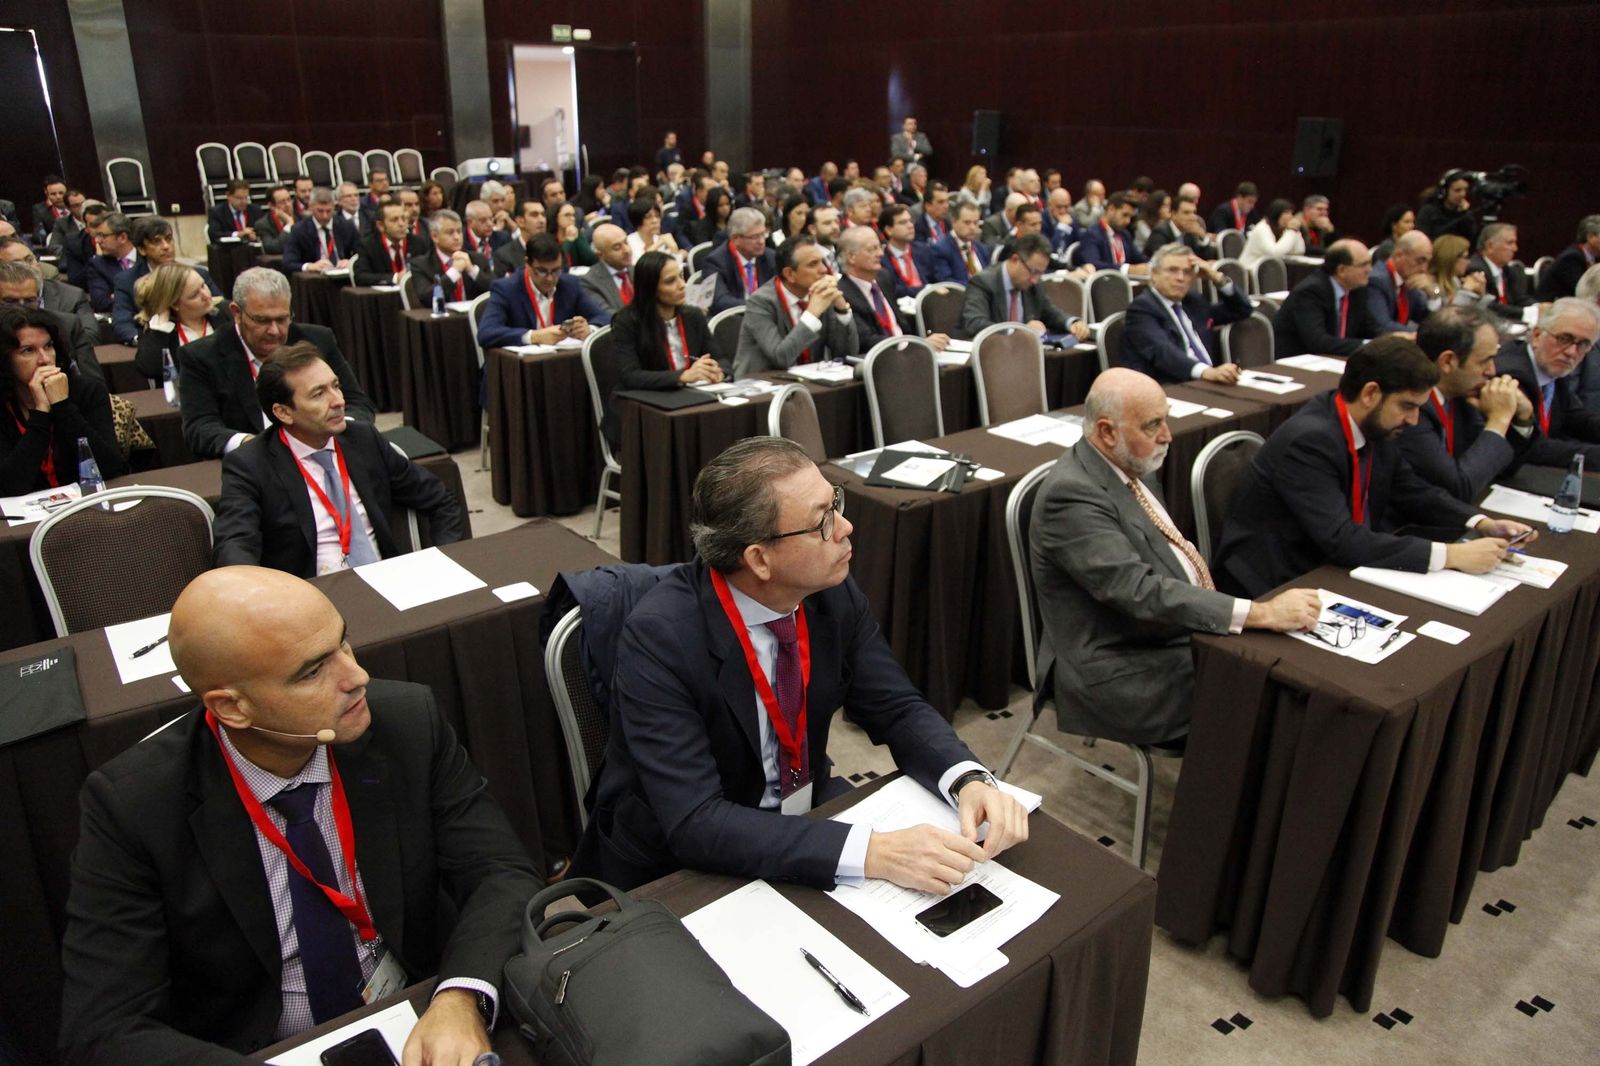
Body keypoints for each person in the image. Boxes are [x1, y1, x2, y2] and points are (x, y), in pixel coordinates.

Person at [58, 564, 541, 1063]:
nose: (357, 677)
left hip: (418, 1007)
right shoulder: (135, 805)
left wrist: (460, 997)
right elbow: (104, 1027)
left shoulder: (408, 724)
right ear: (232, 709)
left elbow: (499, 872)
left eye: (344, 644)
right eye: (313, 671)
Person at [573, 436, 1029, 891]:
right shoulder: (660, 638)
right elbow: (696, 820)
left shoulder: (831, 592)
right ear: (759, 559)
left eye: (836, 504)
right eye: (822, 522)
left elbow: (896, 706)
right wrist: (874, 853)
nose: (846, 527)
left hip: (805, 810)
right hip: (682, 865)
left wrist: (968, 779)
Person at [1030, 368, 1320, 747]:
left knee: (1288, 672)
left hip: (1160, 631)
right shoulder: (1070, 496)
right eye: (1153, 425)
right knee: (1269, 696)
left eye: (1166, 420)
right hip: (1116, 662)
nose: (1167, 436)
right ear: (1106, 431)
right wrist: (1259, 613)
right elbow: (1139, 591)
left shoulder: (1131, 463)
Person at [1212, 336, 1531, 598]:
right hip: (1274, 580)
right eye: (1407, 406)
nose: (1414, 420)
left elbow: (1413, 490)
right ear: (1370, 393)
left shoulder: (1377, 425)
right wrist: (1452, 555)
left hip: (1327, 560)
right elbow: (1341, 538)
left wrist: (1479, 521)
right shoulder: (1310, 440)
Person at [213, 345, 463, 576]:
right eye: (319, 394)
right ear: (284, 412)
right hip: (309, 600)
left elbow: (441, 500)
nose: (339, 401)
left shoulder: (363, 440)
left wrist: (441, 563)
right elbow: (235, 546)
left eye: (336, 386)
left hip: (387, 583)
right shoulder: (251, 465)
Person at [180, 268, 375, 458]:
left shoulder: (317, 340)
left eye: (282, 319)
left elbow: (358, 403)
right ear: (237, 313)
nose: (274, 331)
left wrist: (338, 428)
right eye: (262, 320)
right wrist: (250, 445)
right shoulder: (201, 356)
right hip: (254, 466)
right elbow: (200, 428)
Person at [1402, 305, 1537, 500]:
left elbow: (1498, 469)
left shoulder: (1462, 396)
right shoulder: (1412, 408)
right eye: (1485, 361)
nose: (1492, 371)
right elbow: (1459, 487)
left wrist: (1521, 419)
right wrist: (1499, 419)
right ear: (1448, 362)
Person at [601, 251, 726, 445]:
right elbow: (630, 375)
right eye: (670, 281)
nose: (682, 285)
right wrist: (682, 376)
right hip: (644, 414)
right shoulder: (627, 321)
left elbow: (722, 360)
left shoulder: (693, 316)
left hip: (692, 402)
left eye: (681, 276)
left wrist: (718, 372)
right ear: (651, 288)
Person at [0, 307, 124, 495]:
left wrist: (62, 405)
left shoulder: (87, 392)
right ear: (5, 359)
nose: (44, 359)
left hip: (87, 506)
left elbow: (110, 469)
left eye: (48, 346)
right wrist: (41, 412)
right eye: (28, 350)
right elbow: (9, 486)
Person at [1121, 245, 1252, 384]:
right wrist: (1206, 372)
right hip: (1173, 386)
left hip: (1208, 380)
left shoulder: (1193, 301)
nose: (1180, 278)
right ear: (1154, 274)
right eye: (1172, 270)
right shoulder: (1142, 309)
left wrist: (1216, 277)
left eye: (1187, 272)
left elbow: (1242, 310)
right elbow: (1163, 352)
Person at [1493, 298, 1600, 469]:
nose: (1571, 352)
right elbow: (1534, 449)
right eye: (1564, 339)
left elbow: (1577, 419)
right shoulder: (1511, 376)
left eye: (1583, 344)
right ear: (1536, 336)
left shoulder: (1553, 368)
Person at [733, 236, 857, 378]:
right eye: (813, 264)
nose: (823, 269)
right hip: (761, 385)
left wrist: (841, 309)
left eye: (822, 262)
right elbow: (781, 358)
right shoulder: (760, 302)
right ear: (790, 274)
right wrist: (812, 314)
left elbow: (846, 354)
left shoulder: (821, 294)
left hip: (808, 382)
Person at [476, 233, 608, 350]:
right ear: (527, 264)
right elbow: (487, 333)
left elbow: (604, 318)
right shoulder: (506, 289)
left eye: (556, 270)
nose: (550, 278)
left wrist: (589, 330)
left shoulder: (570, 285)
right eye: (542, 271)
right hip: (517, 369)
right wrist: (534, 336)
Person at [836, 226, 950, 352]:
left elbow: (900, 325)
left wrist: (921, 342)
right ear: (851, 257)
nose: (880, 253)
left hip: (907, 353)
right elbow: (866, 340)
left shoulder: (884, 278)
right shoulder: (842, 293)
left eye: (880, 247)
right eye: (872, 249)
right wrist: (918, 344)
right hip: (881, 360)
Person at [960, 232, 1089, 341]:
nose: (1035, 280)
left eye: (1040, 273)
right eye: (1033, 272)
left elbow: (1049, 312)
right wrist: (1021, 330)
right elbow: (975, 324)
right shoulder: (983, 282)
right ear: (1015, 260)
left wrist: (1071, 323)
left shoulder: (1034, 283)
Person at [112, 217, 222, 344]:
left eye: (169, 239)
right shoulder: (127, 281)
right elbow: (122, 322)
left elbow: (219, 307)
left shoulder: (198, 274)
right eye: (157, 241)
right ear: (142, 249)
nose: (166, 246)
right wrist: (145, 342)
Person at [0, 259, 104, 385]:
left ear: (39, 299)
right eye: (10, 302)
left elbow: (93, 384)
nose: (21, 308)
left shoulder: (66, 325)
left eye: (30, 301)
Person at [1274, 240, 1384, 357]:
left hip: (1334, 357)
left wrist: (1393, 339)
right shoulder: (1311, 292)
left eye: (1370, 263)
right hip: (1298, 361)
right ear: (1341, 270)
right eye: (1363, 265)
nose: (1370, 270)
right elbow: (1318, 342)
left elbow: (1370, 327)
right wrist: (1368, 345)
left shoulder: (1356, 289)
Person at [133, 263, 232, 380]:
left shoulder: (227, 312)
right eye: (195, 295)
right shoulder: (159, 330)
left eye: (203, 285)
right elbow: (151, 369)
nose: (206, 295)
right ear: (174, 304)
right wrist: (161, 327)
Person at [0, 237, 97, 339]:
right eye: (18, 264)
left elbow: (90, 336)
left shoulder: (72, 295)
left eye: (30, 260)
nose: (29, 267)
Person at [407, 209, 492, 306]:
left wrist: (472, 271)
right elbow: (427, 299)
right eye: (450, 232)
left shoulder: (478, 259)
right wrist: (454, 272)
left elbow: (494, 290)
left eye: (459, 231)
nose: (457, 237)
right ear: (435, 236)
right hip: (442, 320)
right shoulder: (420, 265)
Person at [701, 207, 776, 315]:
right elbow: (720, 301)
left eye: (763, 234)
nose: (761, 241)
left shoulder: (770, 257)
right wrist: (758, 306)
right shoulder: (715, 262)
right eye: (755, 237)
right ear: (735, 238)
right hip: (735, 320)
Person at [1366, 230, 1434, 334]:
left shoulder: (1408, 281)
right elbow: (1383, 325)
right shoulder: (1377, 281)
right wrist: (1424, 334)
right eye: (1420, 261)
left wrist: (1433, 295)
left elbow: (1427, 319)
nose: (1424, 269)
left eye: (1427, 262)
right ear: (1399, 255)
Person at [1469, 223, 1536, 324]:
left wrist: (1539, 307)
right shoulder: (1476, 270)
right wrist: (1525, 312)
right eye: (1510, 243)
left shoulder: (1508, 270)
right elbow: (1489, 306)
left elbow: (1520, 299)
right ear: (1490, 246)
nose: (1515, 248)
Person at [282, 188, 358, 275]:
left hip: (343, 274)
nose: (325, 216)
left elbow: (361, 253)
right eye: (320, 211)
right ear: (311, 207)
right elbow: (288, 263)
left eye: (328, 211)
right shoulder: (299, 230)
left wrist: (351, 261)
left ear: (334, 207)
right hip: (315, 278)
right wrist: (309, 266)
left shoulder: (346, 226)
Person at [1076, 192, 1150, 275]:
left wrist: (1151, 265)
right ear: (1111, 209)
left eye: (1130, 217)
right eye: (1125, 215)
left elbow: (1140, 258)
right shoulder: (1091, 235)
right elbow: (1093, 265)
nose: (1128, 221)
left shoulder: (1125, 235)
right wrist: (1126, 269)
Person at [352, 202, 423, 287]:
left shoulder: (418, 242)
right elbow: (361, 277)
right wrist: (395, 277)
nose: (401, 224)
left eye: (404, 219)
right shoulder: (368, 245)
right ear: (380, 225)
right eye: (394, 220)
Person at [1536, 215, 1600, 301]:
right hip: (1554, 308)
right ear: (1591, 237)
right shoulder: (1571, 258)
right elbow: (1585, 292)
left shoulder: (1594, 257)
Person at [878, 204, 935, 300]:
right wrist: (924, 289)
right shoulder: (882, 259)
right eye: (903, 222)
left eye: (910, 221)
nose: (910, 226)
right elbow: (893, 290)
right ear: (889, 230)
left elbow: (936, 280)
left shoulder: (924, 250)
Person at [927, 201, 992, 285]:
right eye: (967, 223)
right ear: (954, 222)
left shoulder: (982, 248)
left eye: (975, 223)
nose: (972, 227)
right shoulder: (940, 249)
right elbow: (947, 283)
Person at [581, 223, 636, 318]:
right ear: (600, 254)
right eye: (617, 247)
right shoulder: (590, 282)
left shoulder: (638, 271)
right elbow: (609, 316)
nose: (627, 250)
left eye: (626, 242)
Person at [85, 211, 136, 314]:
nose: (97, 241)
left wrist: (118, 296)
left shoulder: (146, 256)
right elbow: (101, 303)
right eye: (96, 236)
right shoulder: (97, 265)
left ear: (122, 238)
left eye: (102, 236)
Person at [1426, 234, 1491, 312]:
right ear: (1451, 259)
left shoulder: (1455, 281)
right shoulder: (1432, 285)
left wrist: (1481, 295)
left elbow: (1476, 315)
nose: (1468, 262)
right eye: (1465, 257)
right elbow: (1450, 316)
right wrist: (1466, 291)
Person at [1238, 198, 1304, 272]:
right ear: (1276, 214)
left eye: (1291, 213)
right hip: (1248, 273)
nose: (1291, 217)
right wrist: (1291, 231)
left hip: (1266, 273)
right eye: (1286, 213)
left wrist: (1295, 232)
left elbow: (1299, 250)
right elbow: (1274, 253)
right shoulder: (1262, 228)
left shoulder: (1284, 230)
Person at [1143, 196, 1218, 260]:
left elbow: (1207, 258)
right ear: (1173, 214)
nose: (1192, 217)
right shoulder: (1160, 232)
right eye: (1186, 213)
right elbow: (1163, 260)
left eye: (1194, 212)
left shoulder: (1191, 233)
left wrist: (1202, 237)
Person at [1417, 173, 1478, 244]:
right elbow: (1422, 239)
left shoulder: (1465, 213)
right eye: (1457, 190)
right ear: (1444, 191)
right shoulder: (1428, 211)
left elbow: (1471, 239)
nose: (1463, 194)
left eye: (1465, 190)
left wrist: (1464, 215)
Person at [492, 199, 545, 277]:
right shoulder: (504, 256)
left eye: (543, 215)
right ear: (520, 222)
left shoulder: (556, 250)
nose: (542, 220)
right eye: (534, 215)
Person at [624, 199, 679, 264]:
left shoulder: (660, 239)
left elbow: (675, 269)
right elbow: (636, 268)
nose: (655, 221)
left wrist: (674, 249)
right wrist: (657, 245)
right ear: (637, 220)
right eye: (648, 217)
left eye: (657, 216)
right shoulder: (629, 242)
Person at [553, 201, 597, 267]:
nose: (572, 218)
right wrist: (569, 241)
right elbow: (559, 264)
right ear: (556, 217)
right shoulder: (549, 238)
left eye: (573, 215)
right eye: (567, 215)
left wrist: (578, 238)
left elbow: (592, 261)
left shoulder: (577, 234)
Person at [255, 186, 297, 255]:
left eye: (289, 200)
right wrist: (289, 225)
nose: (288, 204)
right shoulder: (263, 224)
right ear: (271, 206)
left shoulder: (302, 218)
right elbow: (274, 248)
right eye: (282, 202)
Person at [30, 176, 69, 246]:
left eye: (61, 193)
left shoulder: (77, 205)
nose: (58, 197)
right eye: (53, 194)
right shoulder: (40, 211)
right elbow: (38, 236)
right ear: (47, 194)